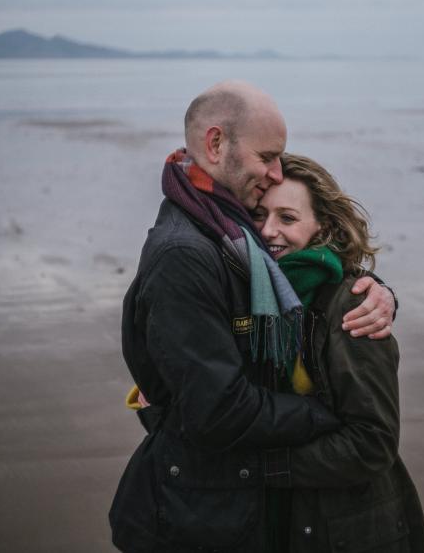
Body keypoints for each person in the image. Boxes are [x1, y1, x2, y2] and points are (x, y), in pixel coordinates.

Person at [109, 81, 397, 552]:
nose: (274, 170)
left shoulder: (234, 234)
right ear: (216, 143)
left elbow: (314, 278)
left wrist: (378, 292)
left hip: (233, 513)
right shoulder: (188, 251)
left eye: (286, 217)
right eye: (267, 156)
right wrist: (325, 414)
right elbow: (216, 410)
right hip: (190, 519)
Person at [251, 152, 424, 552]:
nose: (268, 230)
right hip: (282, 518)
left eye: (288, 218)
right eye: (259, 215)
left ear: (323, 225)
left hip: (350, 527)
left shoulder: (354, 306)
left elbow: (373, 441)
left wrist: (262, 467)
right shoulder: (250, 292)